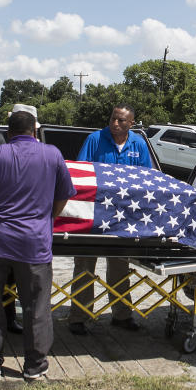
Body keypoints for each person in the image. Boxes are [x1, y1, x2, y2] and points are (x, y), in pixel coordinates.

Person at [0, 109, 76, 380]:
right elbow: (64, 194)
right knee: (37, 307)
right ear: (34, 131)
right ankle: (35, 366)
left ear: (7, 133)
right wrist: (47, 219)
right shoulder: (53, 154)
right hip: (34, 244)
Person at [68, 104, 153, 335]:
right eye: (113, 119)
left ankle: (122, 315)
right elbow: (80, 171)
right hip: (93, 214)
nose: (115, 123)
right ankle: (79, 316)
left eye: (121, 121)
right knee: (85, 265)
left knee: (119, 266)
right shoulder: (95, 139)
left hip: (122, 218)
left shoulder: (139, 144)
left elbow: (147, 178)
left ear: (131, 124)